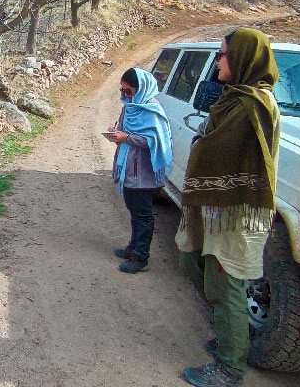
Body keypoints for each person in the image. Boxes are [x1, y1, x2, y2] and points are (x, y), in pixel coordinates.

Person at [175, 28, 281, 387]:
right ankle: (230, 339)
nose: (217, 60)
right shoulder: (234, 98)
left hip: (236, 209)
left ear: (242, 59)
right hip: (217, 207)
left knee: (226, 284)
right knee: (193, 263)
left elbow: (221, 151)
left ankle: (230, 366)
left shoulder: (252, 105)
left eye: (222, 54)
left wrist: (201, 145)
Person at [106, 67, 173, 273]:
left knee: (143, 215)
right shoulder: (130, 106)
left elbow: (157, 141)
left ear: (141, 88)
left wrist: (126, 138)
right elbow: (126, 130)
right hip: (128, 168)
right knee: (134, 210)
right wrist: (117, 133)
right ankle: (133, 247)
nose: (125, 96)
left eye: (129, 91)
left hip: (144, 172)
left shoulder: (152, 110)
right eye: (122, 91)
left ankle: (141, 257)